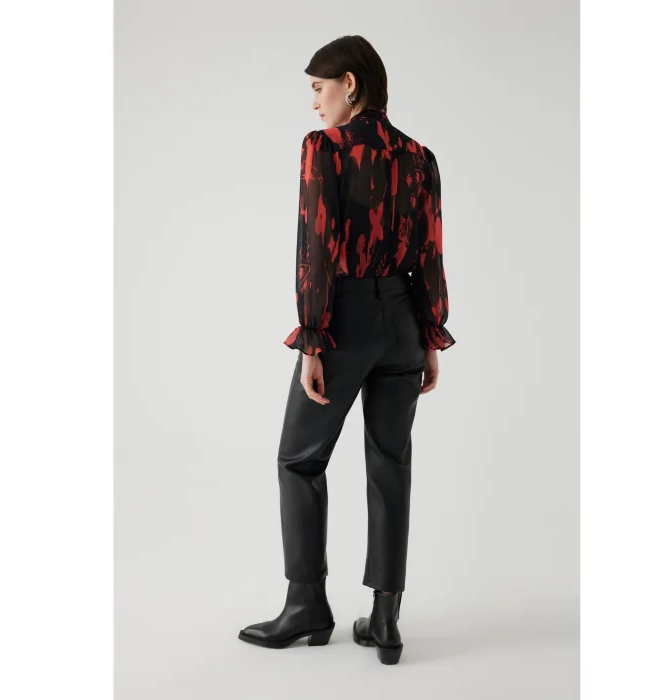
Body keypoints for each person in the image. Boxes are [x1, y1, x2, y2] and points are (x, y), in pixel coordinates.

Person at [238, 35, 455, 665]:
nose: (315, 103)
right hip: (405, 321)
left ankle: (307, 604)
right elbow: (430, 253)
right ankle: (385, 618)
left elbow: (316, 248)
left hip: (345, 321)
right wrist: (430, 334)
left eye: (319, 88)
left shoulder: (325, 149)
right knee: (391, 463)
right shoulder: (420, 157)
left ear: (350, 84)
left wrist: (313, 338)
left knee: (299, 461)